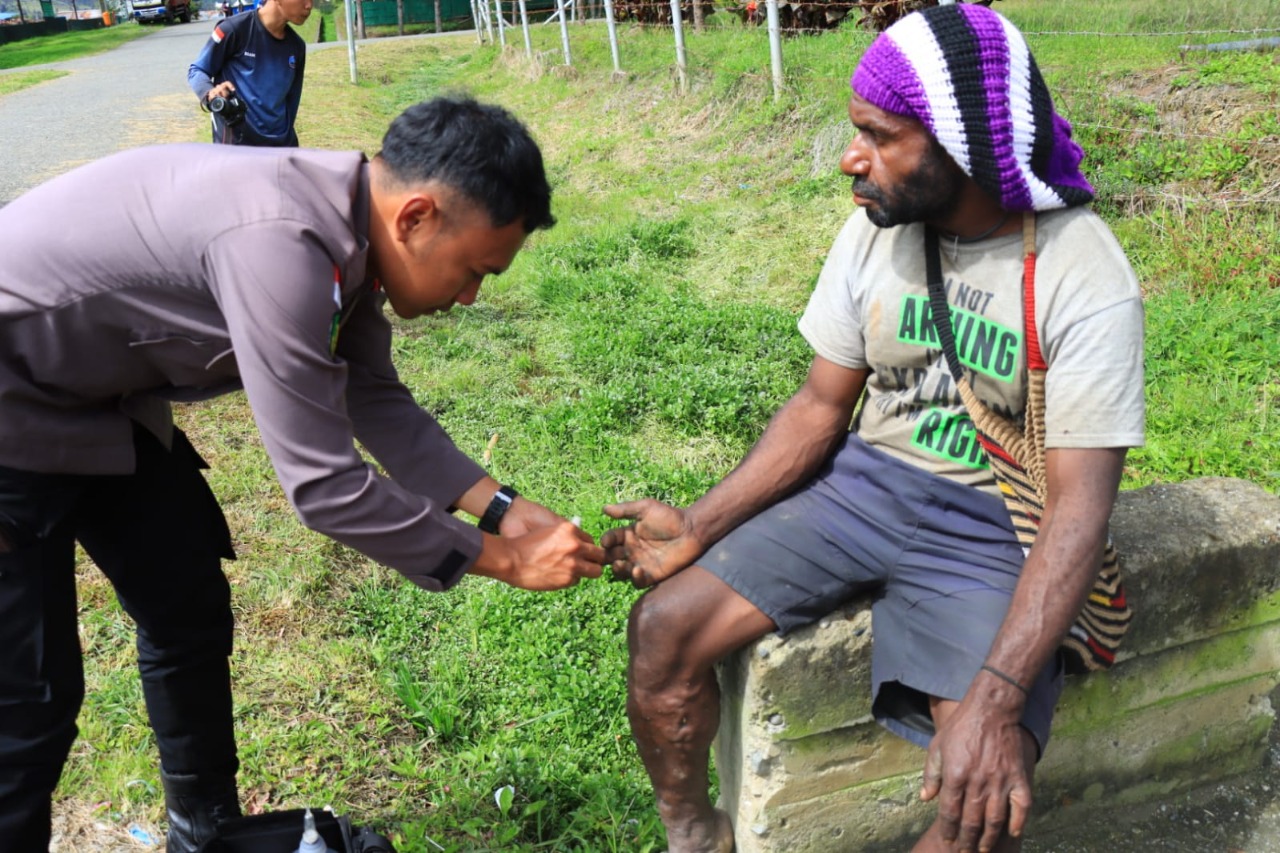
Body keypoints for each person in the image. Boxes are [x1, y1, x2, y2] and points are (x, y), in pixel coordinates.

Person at [602, 5, 1144, 852]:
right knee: (664, 628)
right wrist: (699, 525)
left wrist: (999, 700)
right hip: (859, 490)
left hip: (994, 528)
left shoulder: (1081, 269)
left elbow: (1079, 508)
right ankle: (694, 836)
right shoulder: (873, 233)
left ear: (961, 142)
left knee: (980, 789)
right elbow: (821, 407)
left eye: (881, 136)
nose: (853, 158)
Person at [0, 96, 605, 853]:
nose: (473, 296)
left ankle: (204, 830)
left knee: (183, 598)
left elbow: (373, 393)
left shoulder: (345, 222)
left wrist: (503, 510)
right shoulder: (282, 242)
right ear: (416, 217)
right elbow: (324, 487)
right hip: (11, 397)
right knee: (28, 700)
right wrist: (507, 560)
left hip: (96, 394)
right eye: (476, 269)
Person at [188, 0, 310, 146]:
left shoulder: (297, 46)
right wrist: (211, 94)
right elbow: (198, 70)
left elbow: (292, 103)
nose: (309, 6)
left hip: (282, 147)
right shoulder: (233, 29)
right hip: (238, 147)